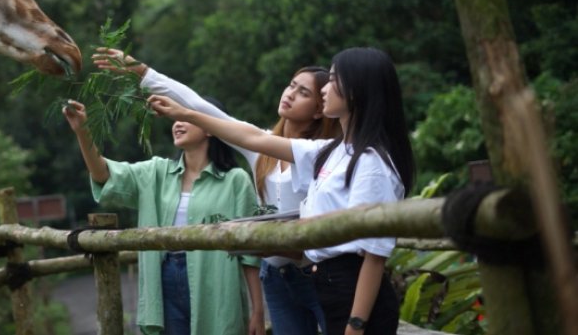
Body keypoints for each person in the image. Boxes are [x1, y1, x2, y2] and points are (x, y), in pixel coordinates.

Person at [147, 47, 415, 335]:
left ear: (356, 90)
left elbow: (374, 254)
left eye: (334, 79)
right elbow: (251, 137)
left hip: (351, 290)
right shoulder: (332, 151)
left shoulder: (371, 161)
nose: (326, 87)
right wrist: (186, 113)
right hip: (325, 282)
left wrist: (356, 323)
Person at [92, 47, 340, 335]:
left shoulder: (325, 154)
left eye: (304, 93)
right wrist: (141, 71)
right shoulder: (260, 148)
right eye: (291, 85)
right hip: (276, 276)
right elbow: (198, 104)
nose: (290, 93)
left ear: (320, 108)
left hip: (319, 273)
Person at [63, 97, 266, 335]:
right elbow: (103, 174)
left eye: (186, 118)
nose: (177, 124)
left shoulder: (236, 180)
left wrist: (258, 311)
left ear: (211, 127)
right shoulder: (156, 173)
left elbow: (250, 254)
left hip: (216, 281)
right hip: (165, 277)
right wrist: (82, 131)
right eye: (176, 118)